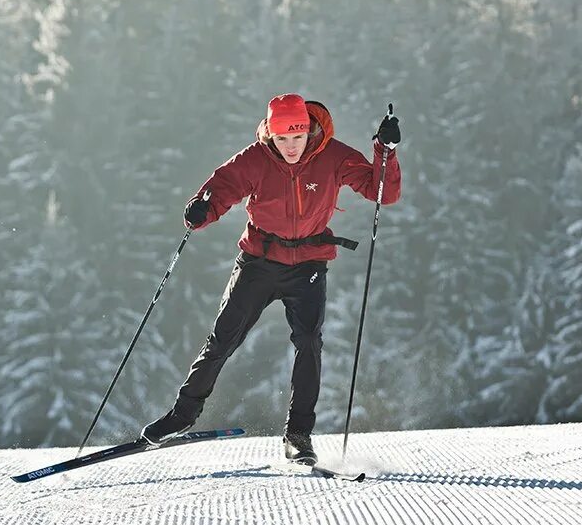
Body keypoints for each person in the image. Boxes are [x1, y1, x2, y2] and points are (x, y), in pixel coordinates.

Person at [140, 93, 402, 465]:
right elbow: (220, 190)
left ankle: (298, 436)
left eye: (297, 138)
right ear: (269, 135)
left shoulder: (333, 156)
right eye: (282, 139)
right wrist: (201, 210)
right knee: (223, 338)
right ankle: (181, 416)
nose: (290, 147)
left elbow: (383, 192)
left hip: (308, 264)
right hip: (259, 262)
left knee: (309, 342)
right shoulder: (254, 159)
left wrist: (384, 151)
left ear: (309, 131)